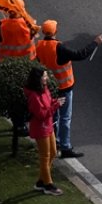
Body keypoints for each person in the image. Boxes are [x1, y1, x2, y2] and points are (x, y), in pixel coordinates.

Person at [37, 19, 102, 159]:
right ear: (55, 31)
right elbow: (80, 54)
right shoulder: (60, 48)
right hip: (64, 88)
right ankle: (65, 146)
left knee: (53, 117)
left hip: (49, 88)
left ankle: (54, 143)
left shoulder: (40, 45)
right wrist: (95, 42)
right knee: (65, 118)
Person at [23, 66, 65, 196]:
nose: (47, 78)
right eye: (44, 76)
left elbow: (48, 103)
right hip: (41, 128)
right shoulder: (34, 96)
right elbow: (41, 114)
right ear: (38, 79)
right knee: (45, 156)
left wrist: (55, 101)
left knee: (52, 153)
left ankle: (42, 181)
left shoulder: (44, 89)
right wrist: (56, 105)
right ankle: (48, 184)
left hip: (48, 126)